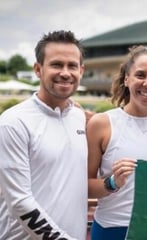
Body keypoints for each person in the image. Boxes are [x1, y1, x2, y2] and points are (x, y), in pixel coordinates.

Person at [87, 45, 147, 240]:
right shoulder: (102, 124)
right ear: (126, 79)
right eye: (140, 75)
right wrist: (112, 183)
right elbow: (84, 185)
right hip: (113, 229)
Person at [0, 30, 87, 239]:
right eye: (57, 64)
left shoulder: (79, 117)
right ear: (38, 69)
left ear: (81, 71)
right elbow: (20, 201)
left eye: (72, 66)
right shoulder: (13, 122)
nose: (65, 73)